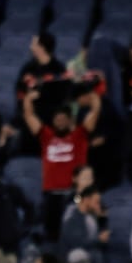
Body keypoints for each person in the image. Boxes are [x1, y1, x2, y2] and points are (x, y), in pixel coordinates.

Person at [22, 88, 99, 241]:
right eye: (57, 119)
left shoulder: (79, 135)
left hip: (75, 194)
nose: (60, 121)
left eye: (64, 119)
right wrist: (28, 99)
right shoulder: (46, 135)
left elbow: (95, 111)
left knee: (75, 233)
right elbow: (29, 115)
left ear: (70, 120)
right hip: (51, 195)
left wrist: (92, 95)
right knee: (51, 235)